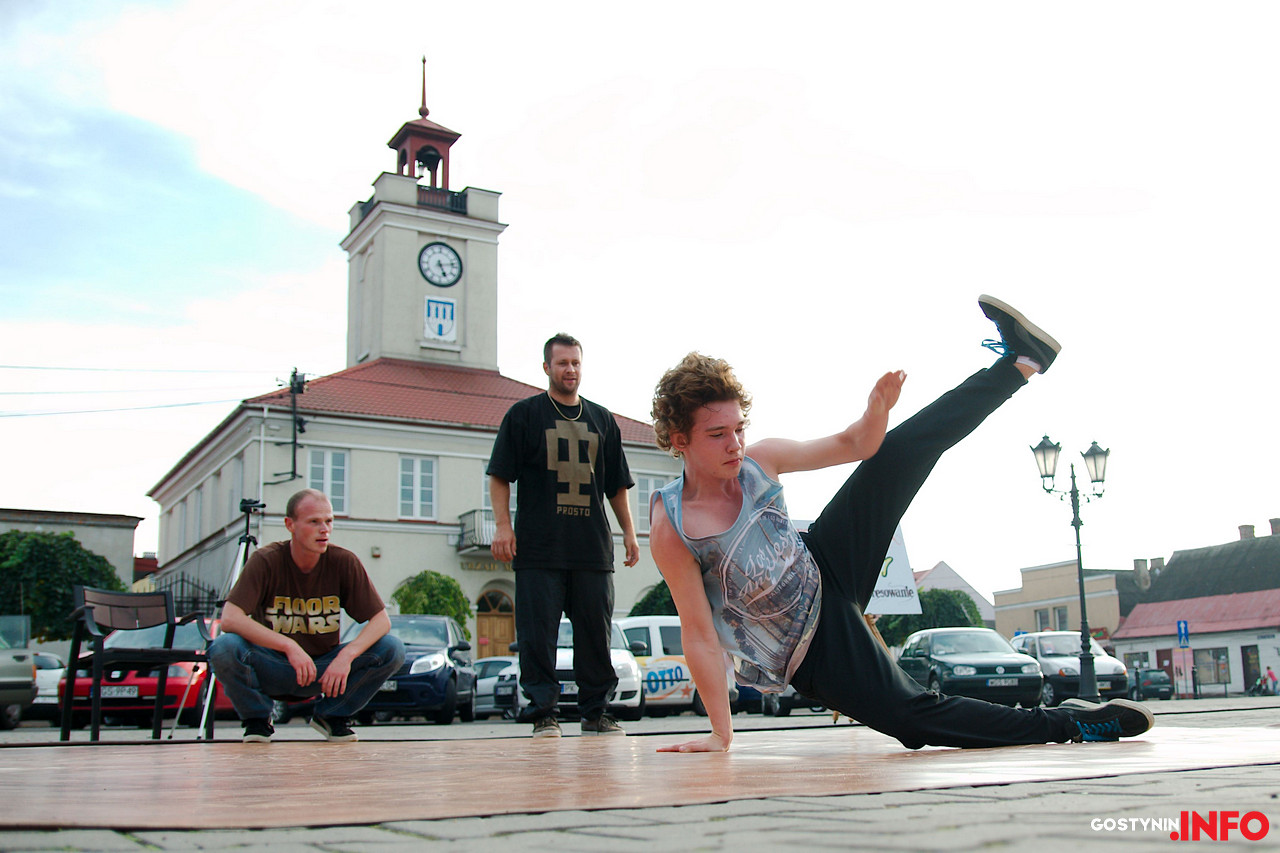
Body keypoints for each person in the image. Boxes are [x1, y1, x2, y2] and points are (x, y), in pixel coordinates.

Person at [647, 296, 1154, 753]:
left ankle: (1021, 362)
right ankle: (1075, 724)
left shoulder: (761, 460)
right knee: (913, 719)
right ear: (678, 438)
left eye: (739, 429)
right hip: (809, 649)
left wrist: (876, 414)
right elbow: (699, 634)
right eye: (717, 434)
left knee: (897, 454)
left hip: (825, 561)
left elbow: (855, 446)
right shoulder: (674, 525)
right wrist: (720, 732)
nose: (735, 444)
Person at [488, 333, 640, 738]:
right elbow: (500, 475)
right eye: (562, 363)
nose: (569, 370)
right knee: (538, 637)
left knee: (595, 635)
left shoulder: (602, 420)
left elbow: (616, 486)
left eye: (575, 362)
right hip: (539, 549)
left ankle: (596, 713)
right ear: (546, 368)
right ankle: (543, 714)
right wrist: (504, 526)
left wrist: (629, 533)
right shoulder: (524, 416)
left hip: (591, 548)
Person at [208, 489, 405, 743]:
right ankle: (257, 720)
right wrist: (288, 646)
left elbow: (381, 621)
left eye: (329, 521)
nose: (324, 529)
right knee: (224, 646)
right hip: (273, 666)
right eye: (314, 522)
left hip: (323, 669)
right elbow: (230, 618)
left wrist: (347, 655)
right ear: (290, 524)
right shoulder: (266, 561)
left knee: (392, 648)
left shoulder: (343, 562)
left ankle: (332, 716)